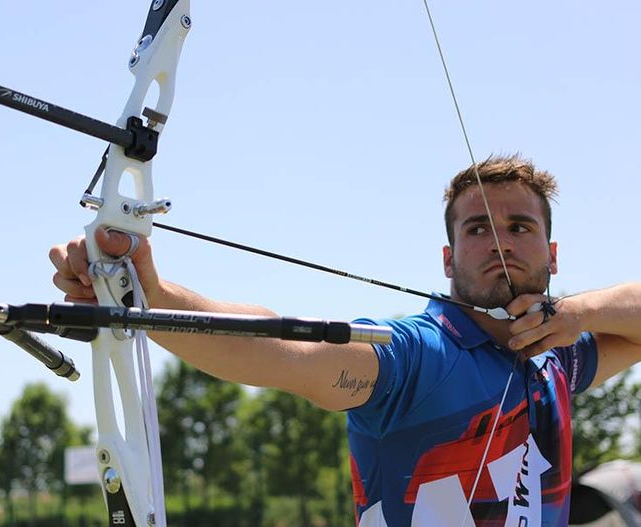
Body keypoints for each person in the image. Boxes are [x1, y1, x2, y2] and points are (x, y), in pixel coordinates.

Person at [49, 154, 641, 526]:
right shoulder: (417, 356)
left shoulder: (557, 358)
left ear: (552, 254)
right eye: (478, 227)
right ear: (449, 256)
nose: (500, 242)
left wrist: (579, 312)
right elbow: (287, 351)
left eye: (520, 226)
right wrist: (155, 299)